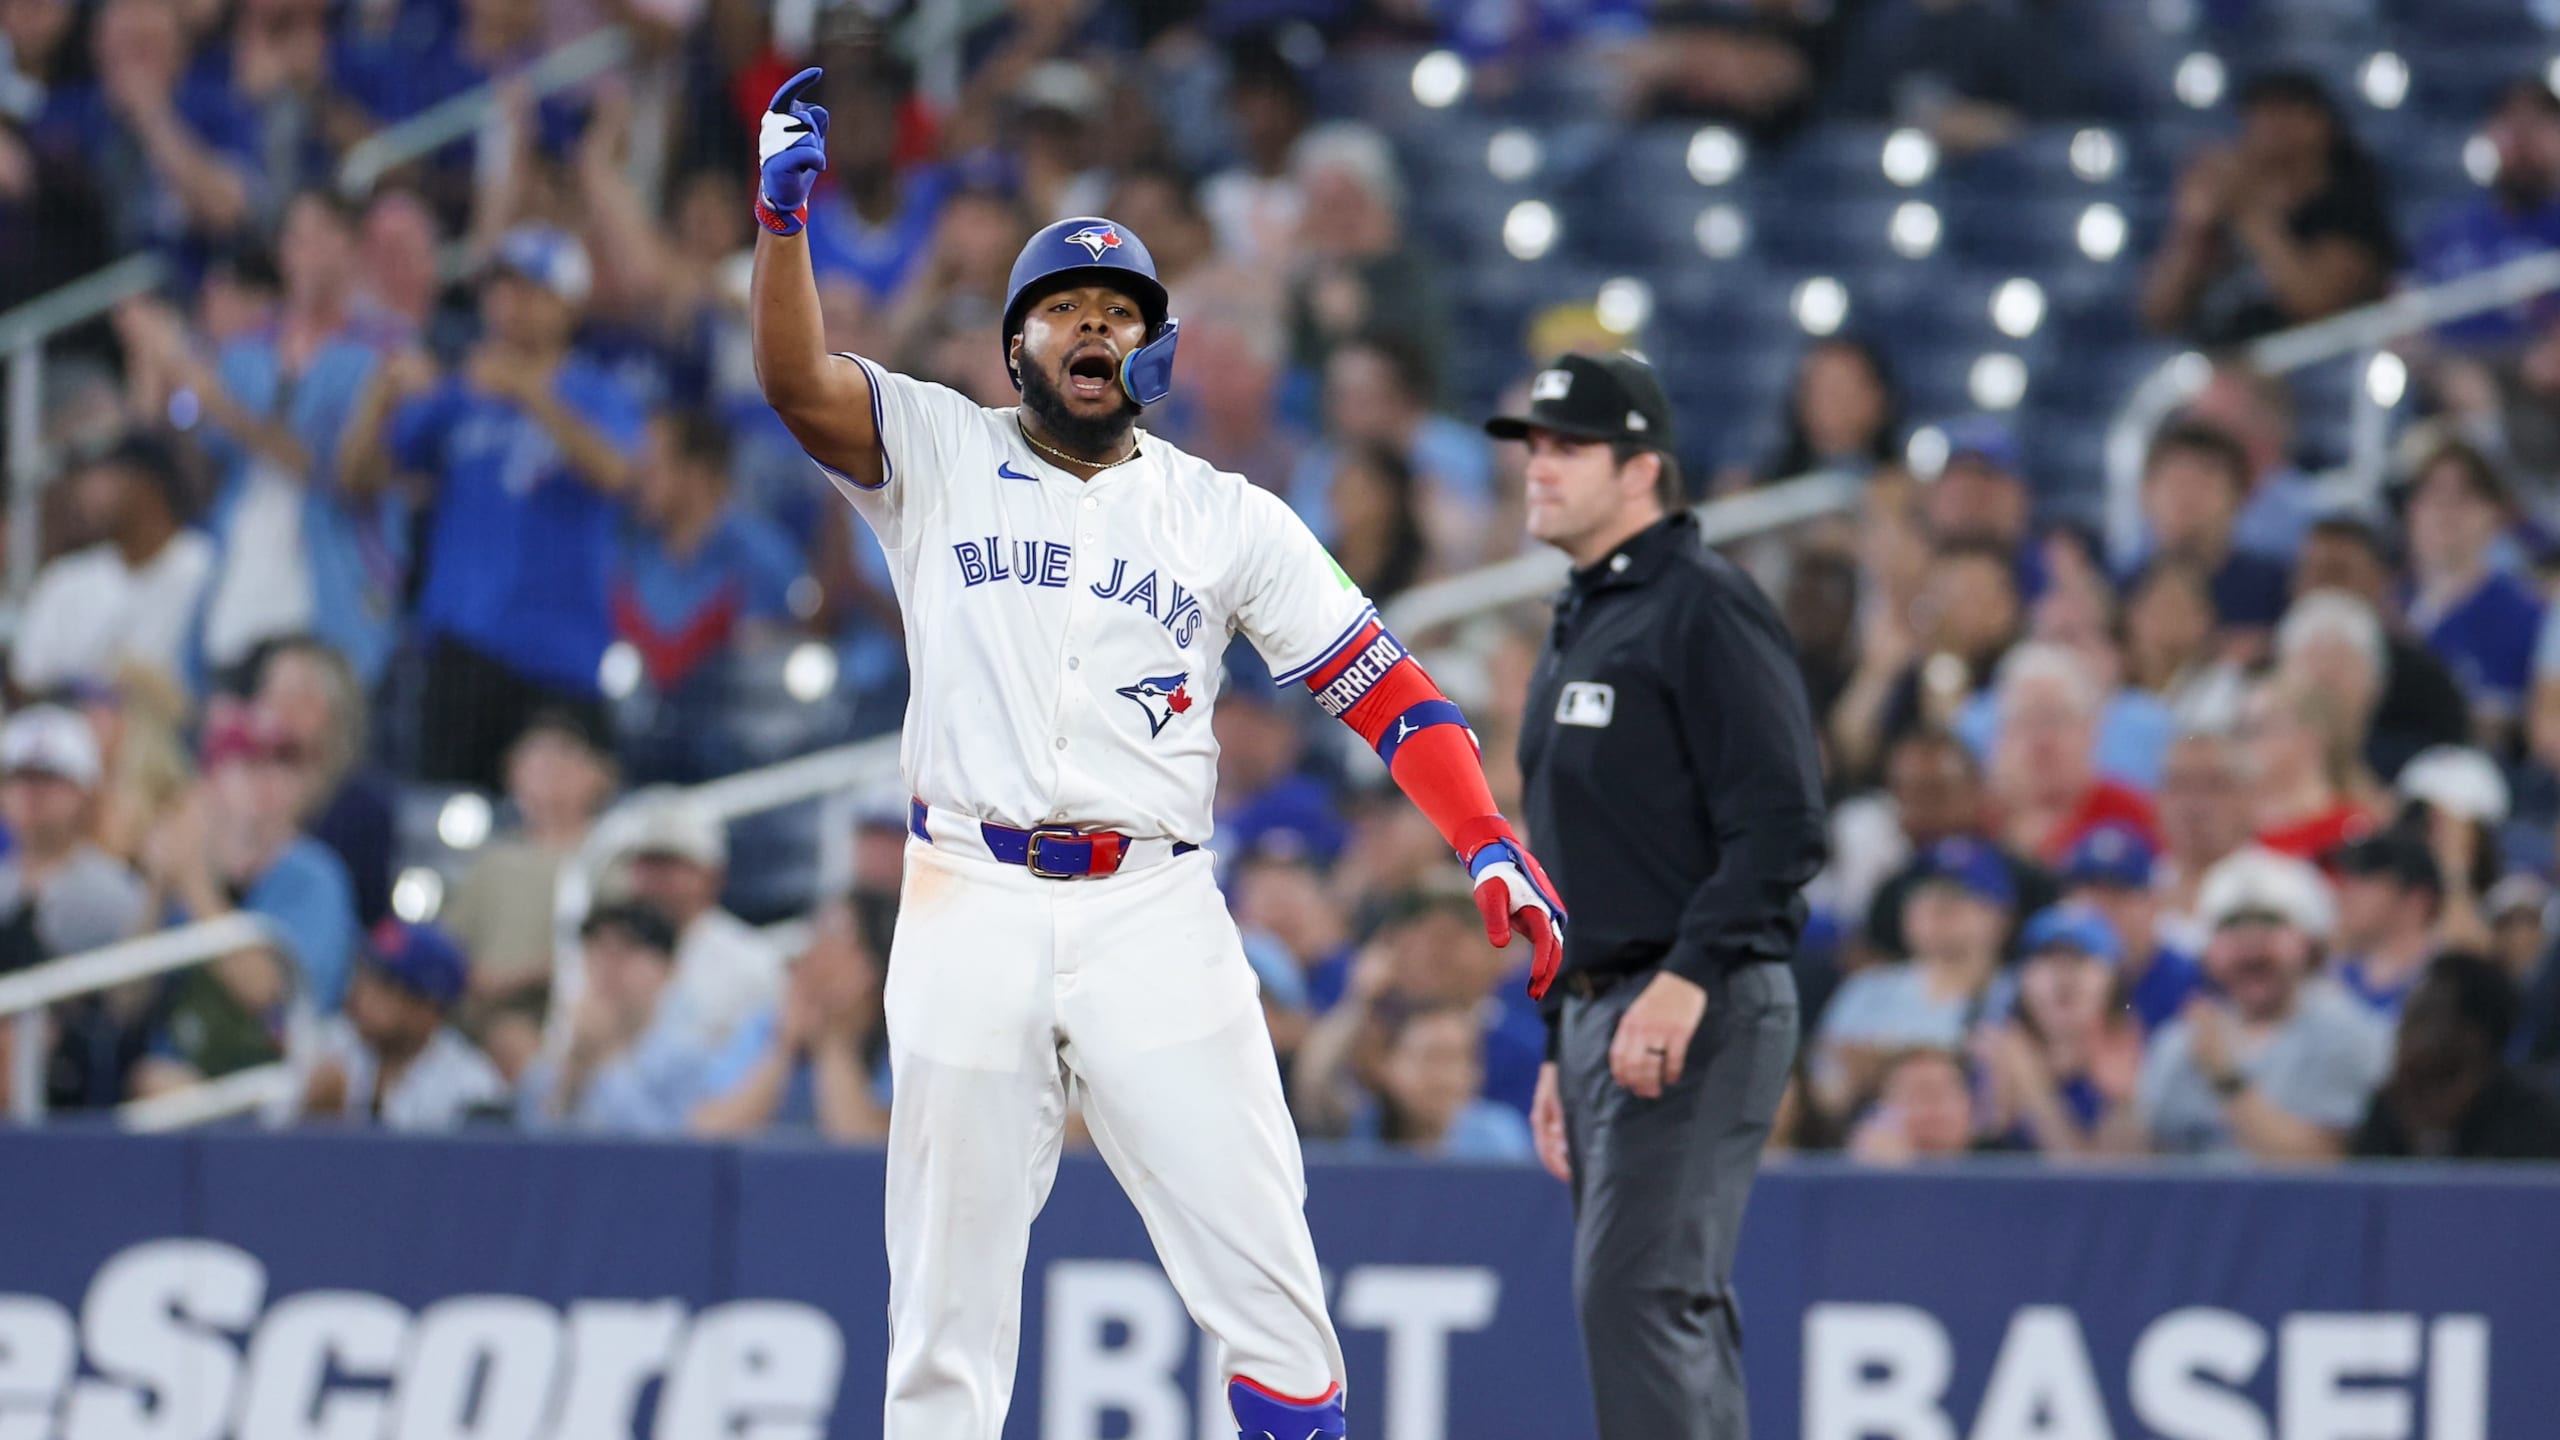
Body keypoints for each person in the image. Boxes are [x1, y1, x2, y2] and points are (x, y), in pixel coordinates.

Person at [748, 67, 1561, 1440]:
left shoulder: (1223, 515)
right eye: (1062, 307)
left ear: (1157, 350)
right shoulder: (939, 447)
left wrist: (1483, 832)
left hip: (1153, 906)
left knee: (1273, 1284)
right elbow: (792, 381)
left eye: (1118, 311)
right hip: (969, 895)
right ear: (1014, 346)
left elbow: (1388, 688)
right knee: (942, 1321)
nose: (1091, 326)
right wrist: (783, 231)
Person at [1492, 350, 1822, 1440]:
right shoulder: (1586, 611)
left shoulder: (1702, 606)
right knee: (1662, 1301)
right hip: (1608, 1007)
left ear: (1641, 470)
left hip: (1692, 1001)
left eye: (1569, 447)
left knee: (1638, 1296)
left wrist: (1686, 977)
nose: (1539, 466)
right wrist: (1561, 1032)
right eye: (1534, 445)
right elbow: (1583, 853)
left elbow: (1782, 822)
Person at [339, 225, 640, 789]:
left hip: (559, 654)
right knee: (447, 814)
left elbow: (619, 474)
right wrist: (380, 395)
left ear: (566, 304)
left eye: (528, 290)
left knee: (554, 815)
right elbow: (358, 480)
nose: (508, 305)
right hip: (463, 649)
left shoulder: (598, 391)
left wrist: (528, 391)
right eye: (499, 290)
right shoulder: (461, 396)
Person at [2139, 847, 2391, 1158]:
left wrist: (2225, 1079)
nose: (2250, 942)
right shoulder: (2179, 1040)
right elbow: (2136, 1160)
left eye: (2269, 921)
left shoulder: (2350, 1034)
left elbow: (2324, 1163)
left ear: (2310, 943)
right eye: (2231, 925)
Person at [2141, 69, 2397, 346]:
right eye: (2260, 116)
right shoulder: (2223, 220)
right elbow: (2159, 315)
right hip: (2218, 359)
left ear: (2320, 125)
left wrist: (2250, 214)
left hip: (2310, 365)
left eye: (2284, 115)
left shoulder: (2348, 212)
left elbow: (2317, 305)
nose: (2270, 130)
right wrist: (2193, 228)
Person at [441, 711, 617, 1077]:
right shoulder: (492, 863)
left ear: (601, 775)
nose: (548, 768)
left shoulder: (610, 857)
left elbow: (619, 950)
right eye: (535, 755)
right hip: (479, 1025)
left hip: (577, 1023)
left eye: (564, 754)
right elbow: (450, 950)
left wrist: (524, 977)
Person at [1816, 838, 2013, 1118]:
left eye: (1955, 897)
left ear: (1999, 917)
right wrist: (1858, 1081)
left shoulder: (2022, 992)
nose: (1933, 906)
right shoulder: (1866, 990)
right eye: (1922, 894)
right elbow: (1820, 1099)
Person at [11, 432, 214, 695]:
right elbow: (25, 681)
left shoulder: (205, 567)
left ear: (146, 485)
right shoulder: (66, 578)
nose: (87, 495)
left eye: (104, 479)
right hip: (67, 718)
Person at [689, 895, 892, 1142]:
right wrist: (784, 1046)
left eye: (838, 944)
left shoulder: (899, 1041)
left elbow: (865, 1145)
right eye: (817, 939)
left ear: (873, 968)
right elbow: (707, 1133)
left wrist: (833, 1041)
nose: (816, 957)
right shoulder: (767, 1026)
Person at [594, 794, 782, 1050]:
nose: (650, 882)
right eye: (641, 866)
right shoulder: (603, 957)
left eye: (665, 866)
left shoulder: (752, 965)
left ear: (711, 876)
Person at [515, 902, 707, 1135]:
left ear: (667, 968)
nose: (608, 966)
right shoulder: (555, 1055)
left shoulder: (686, 1058)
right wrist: (574, 1068)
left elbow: (668, 1144)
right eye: (597, 950)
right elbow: (531, 1136)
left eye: (626, 951)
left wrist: (604, 1060)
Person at [299, 921, 507, 1131]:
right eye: (365, 975)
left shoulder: (471, 1087)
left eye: (384, 985)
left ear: (428, 1008)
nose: (362, 993)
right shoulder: (328, 1044)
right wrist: (313, 1117)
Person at [2351, 952, 2560, 1161]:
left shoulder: (2530, 1117)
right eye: (2406, 1015)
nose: (2403, 1030)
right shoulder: (2389, 1106)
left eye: (2422, 1016)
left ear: (2473, 1034)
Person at [2403, 441, 2542, 745]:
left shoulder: (2524, 615)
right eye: (2433, 494)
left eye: (2462, 497)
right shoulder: (2390, 603)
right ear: (2413, 509)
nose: (2445, 511)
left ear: (2493, 513)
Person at [1977, 905, 2145, 1155]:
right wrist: (1997, 1097)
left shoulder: (2133, 1057)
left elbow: (2104, 1176)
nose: (2063, 978)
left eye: (2079, 961)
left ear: (2112, 980)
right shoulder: (1993, 1053)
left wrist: (2122, 1102)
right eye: (2048, 961)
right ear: (2023, 978)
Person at [253, 636, 395, 928]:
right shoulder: (243, 786)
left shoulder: (363, 807)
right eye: (270, 692)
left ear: (333, 707)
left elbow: (370, 920)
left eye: (296, 695)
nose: (275, 708)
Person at [2133, 421, 2292, 637]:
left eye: (2204, 483)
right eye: (2176, 482)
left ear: (2241, 497)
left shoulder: (2277, 592)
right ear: (2145, 494)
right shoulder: (2121, 590)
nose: (2187, 498)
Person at [2054, 822, 2202, 1033]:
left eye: (2118, 893)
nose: (2102, 908)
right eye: (2092, 892)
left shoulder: (2188, 980)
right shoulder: (2045, 973)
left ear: (2154, 903)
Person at [1344, 1001, 1535, 1160]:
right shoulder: (1360, 1131)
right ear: (1385, 1063)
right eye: (1432, 1058)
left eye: (1461, 1058)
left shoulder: (1498, 1137)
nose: (1446, 1077)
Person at [2330, 830, 2444, 1018]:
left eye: (2365, 880)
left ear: (2416, 901)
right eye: (2349, 880)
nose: (2346, 894)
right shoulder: (2331, 978)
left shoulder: (2446, 986)